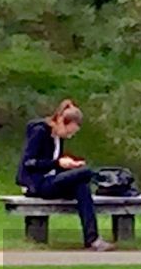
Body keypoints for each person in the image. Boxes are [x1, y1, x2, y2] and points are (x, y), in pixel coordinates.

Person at [15, 100, 114, 251]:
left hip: (52, 181)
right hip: (36, 183)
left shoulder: (58, 139)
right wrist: (58, 163)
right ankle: (99, 177)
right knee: (84, 173)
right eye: (69, 132)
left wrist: (68, 166)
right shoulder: (40, 132)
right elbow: (29, 163)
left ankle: (92, 239)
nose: (69, 136)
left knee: (82, 186)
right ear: (61, 121)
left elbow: (56, 166)